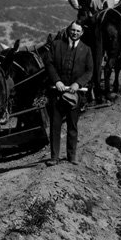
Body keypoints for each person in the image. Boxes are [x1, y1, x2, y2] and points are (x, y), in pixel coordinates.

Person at [43, 21, 93, 166]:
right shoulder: (56, 45)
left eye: (78, 31)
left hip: (75, 95)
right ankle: (54, 157)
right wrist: (57, 81)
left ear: (82, 33)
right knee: (55, 125)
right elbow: (49, 63)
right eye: (73, 30)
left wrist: (78, 84)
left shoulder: (86, 50)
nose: (75, 33)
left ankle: (71, 156)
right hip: (57, 93)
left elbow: (89, 71)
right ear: (68, 30)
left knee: (72, 126)